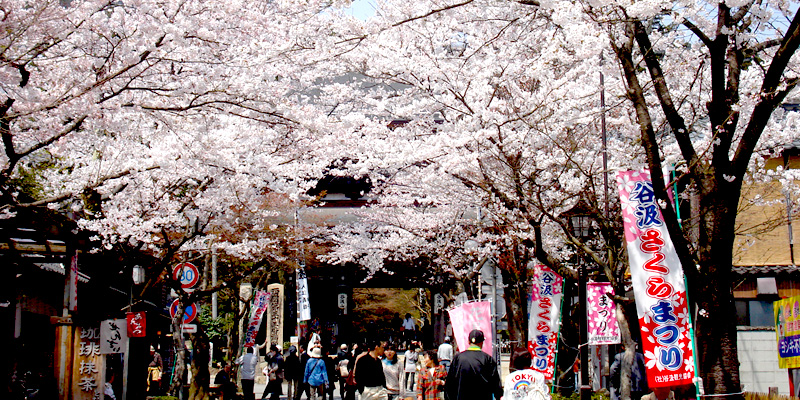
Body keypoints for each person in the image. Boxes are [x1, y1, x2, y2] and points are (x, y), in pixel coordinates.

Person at [445, 329, 503, 400]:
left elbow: (450, 384)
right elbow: (496, 384)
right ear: (482, 342)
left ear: (468, 341)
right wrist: (498, 395)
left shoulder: (458, 358)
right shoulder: (488, 359)